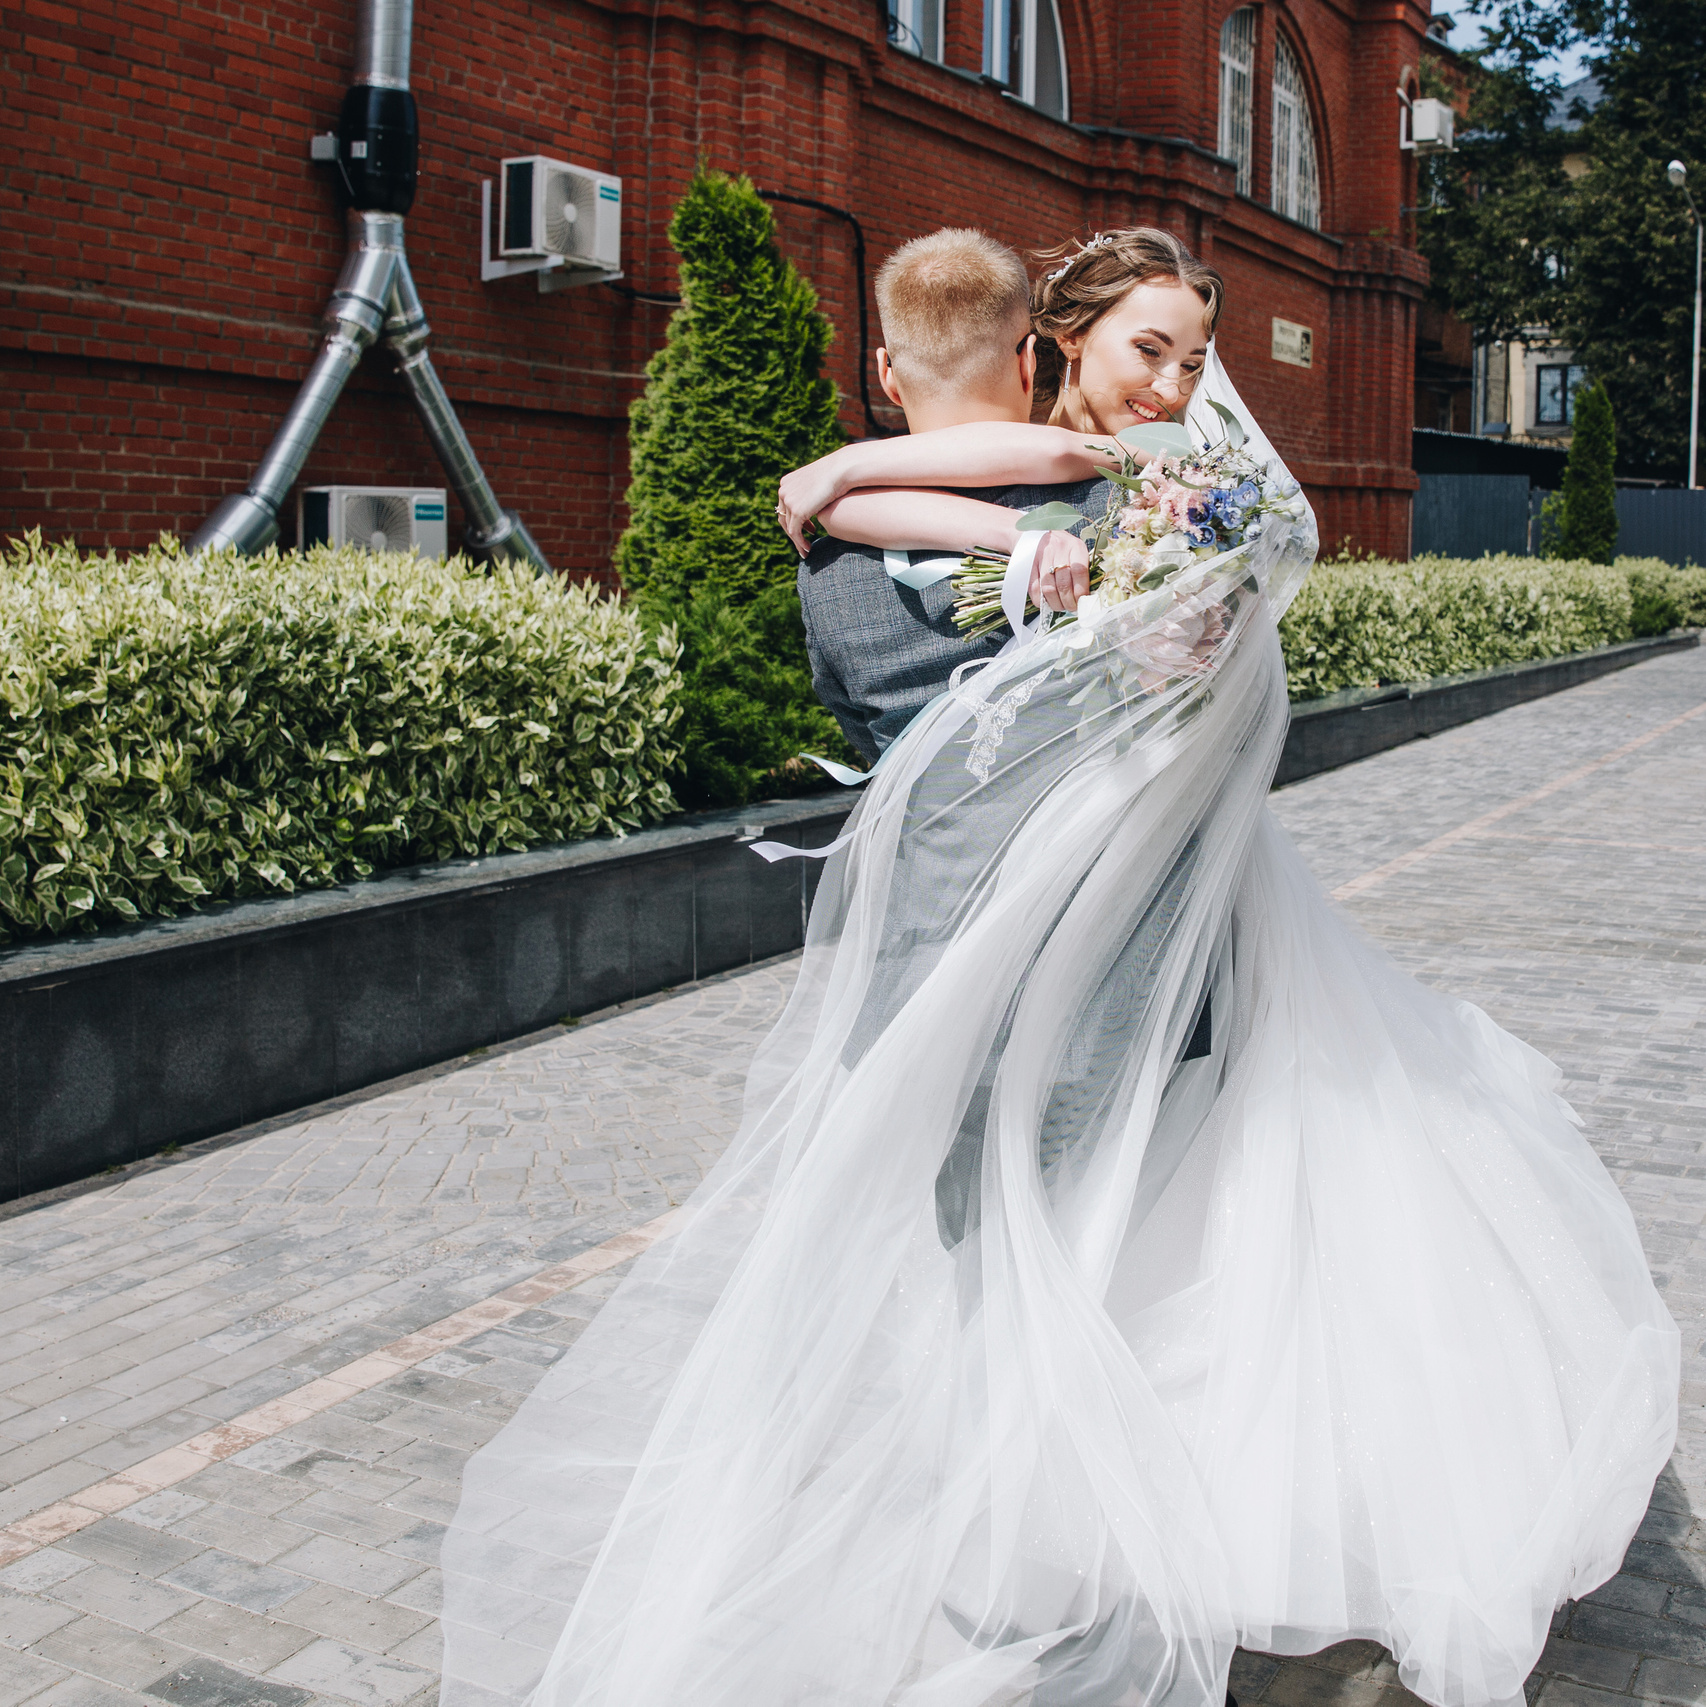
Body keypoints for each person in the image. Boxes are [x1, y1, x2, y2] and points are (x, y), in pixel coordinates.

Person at [438, 230, 1679, 1707]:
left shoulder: (1142, 499)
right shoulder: (1084, 495)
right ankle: (1110, 1507)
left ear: (899, 368)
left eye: (1192, 356)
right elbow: (974, 504)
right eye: (1146, 347)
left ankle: (1104, 1520)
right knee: (1129, 1221)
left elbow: (932, 540)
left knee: (1100, 1226)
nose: (1174, 379)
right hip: (1097, 935)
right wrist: (884, 493)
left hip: (1087, 931)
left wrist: (840, 484)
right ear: (1052, 349)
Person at [795, 227, 1106, 766]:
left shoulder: (827, 573)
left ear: (886, 374)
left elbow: (864, 738)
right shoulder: (1128, 507)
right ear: (1030, 360)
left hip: (924, 847)